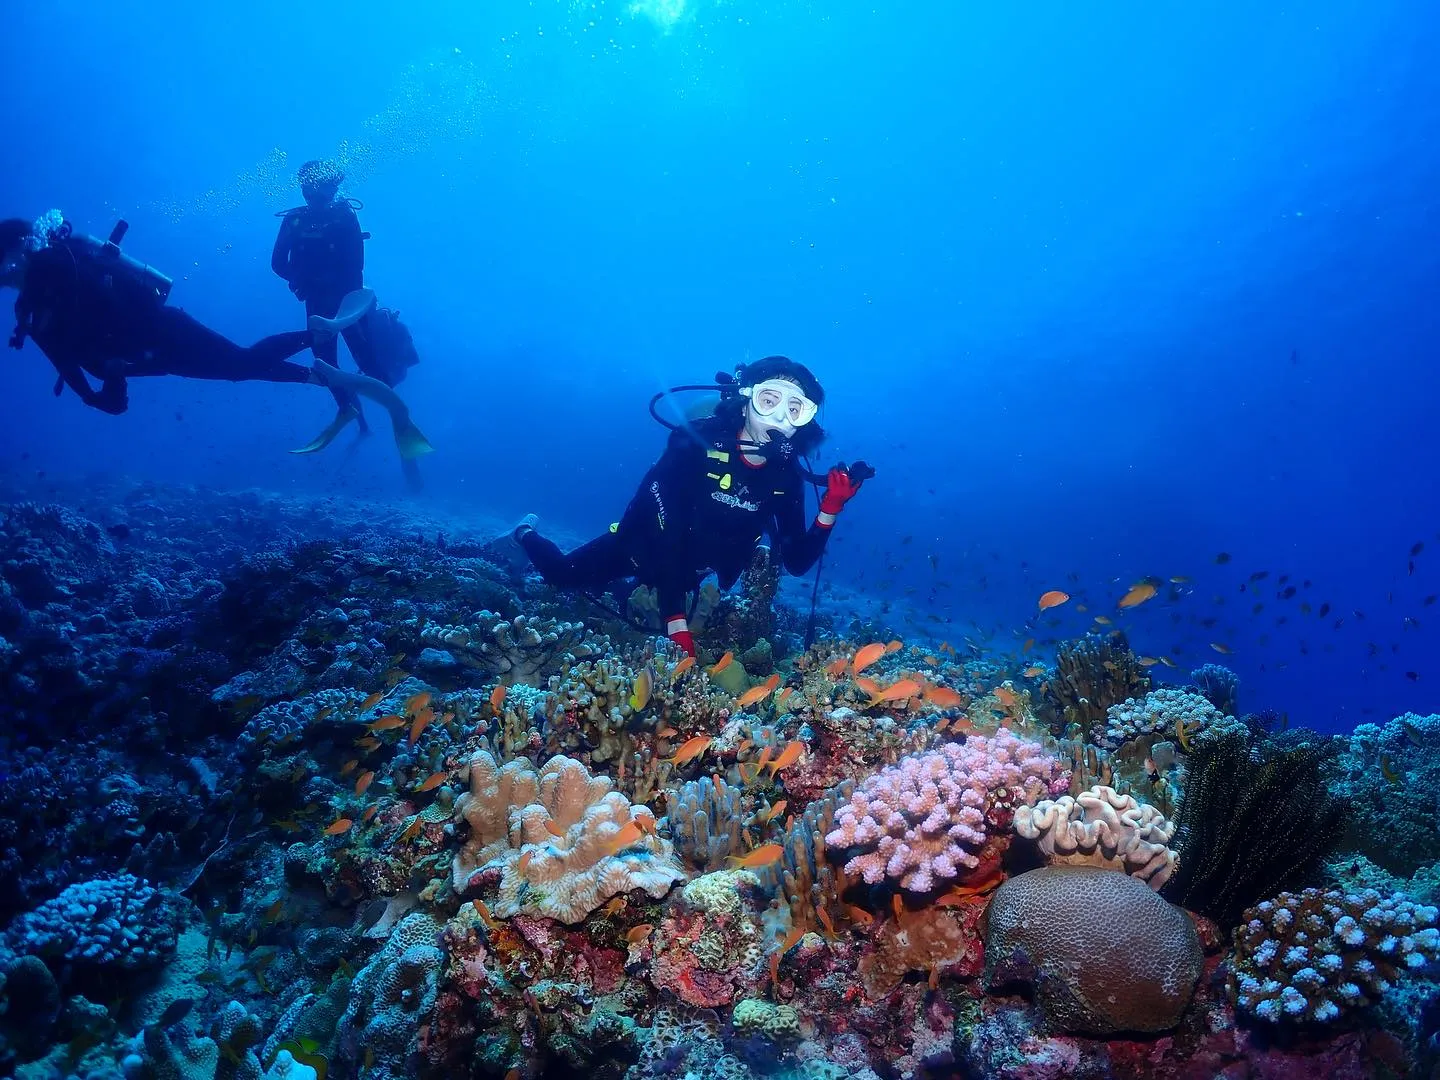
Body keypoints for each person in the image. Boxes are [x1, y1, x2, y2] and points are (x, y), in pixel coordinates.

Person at [512, 356, 865, 657]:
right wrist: (676, 622)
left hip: (695, 571)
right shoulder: (694, 442)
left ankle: (633, 592)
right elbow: (668, 535)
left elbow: (797, 560)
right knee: (559, 575)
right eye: (769, 400)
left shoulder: (785, 478)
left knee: (630, 595)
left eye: (795, 409)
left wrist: (830, 507)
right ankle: (524, 531)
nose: (780, 418)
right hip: (643, 545)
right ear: (745, 401)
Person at [0, 213, 433, 458]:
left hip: (159, 332)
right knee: (237, 371)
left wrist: (107, 382)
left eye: (2, 265)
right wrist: (94, 394)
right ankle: (317, 375)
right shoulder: (29, 308)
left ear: (20, 249)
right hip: (151, 356)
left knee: (241, 363)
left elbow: (106, 312)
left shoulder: (56, 267)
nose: (3, 278)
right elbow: (63, 358)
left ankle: (313, 333)